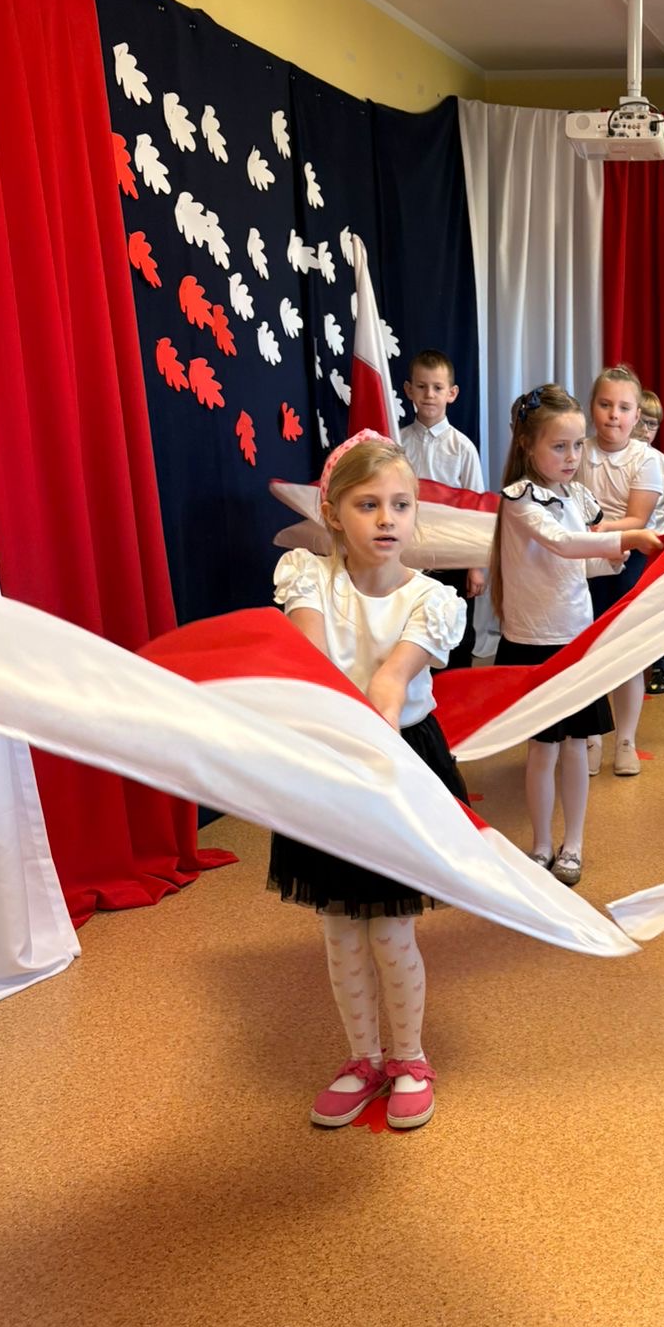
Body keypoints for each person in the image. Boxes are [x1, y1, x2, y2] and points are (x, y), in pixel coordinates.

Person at [269, 431, 469, 1133]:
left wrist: (360, 745)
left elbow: (388, 686)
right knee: (340, 931)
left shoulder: (432, 600)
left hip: (395, 761)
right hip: (328, 759)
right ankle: (363, 1059)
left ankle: (410, 1058)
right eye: (367, 504)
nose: (387, 519)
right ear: (332, 513)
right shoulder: (306, 577)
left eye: (401, 504)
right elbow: (312, 663)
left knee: (388, 928)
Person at [491, 385, 661, 886]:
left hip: (573, 638)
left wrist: (612, 558)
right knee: (542, 749)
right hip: (532, 642)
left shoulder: (577, 497)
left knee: (575, 747)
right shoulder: (519, 500)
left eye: (577, 445)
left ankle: (574, 844)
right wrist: (626, 537)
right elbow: (563, 544)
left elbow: (576, 565)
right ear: (528, 446)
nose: (572, 457)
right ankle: (542, 843)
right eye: (559, 446)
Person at [581, 363, 663, 777]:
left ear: (636, 415)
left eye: (623, 408)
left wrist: (598, 531)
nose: (614, 415)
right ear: (591, 407)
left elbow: (637, 519)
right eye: (605, 405)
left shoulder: (646, 460)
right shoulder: (577, 450)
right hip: (580, 561)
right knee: (586, 655)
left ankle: (626, 740)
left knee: (626, 656)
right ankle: (591, 737)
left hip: (627, 560)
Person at [397, 348, 485, 670]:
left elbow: (476, 511)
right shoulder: (397, 444)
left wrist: (476, 566)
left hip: (452, 557)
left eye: (437, 387)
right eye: (421, 387)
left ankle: (457, 686)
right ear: (409, 390)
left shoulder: (462, 448)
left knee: (455, 629)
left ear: (452, 393)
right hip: (408, 554)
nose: (429, 395)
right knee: (411, 625)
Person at [633, 390, 664, 695]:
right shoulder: (623, 457)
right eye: (643, 422)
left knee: (660, 607)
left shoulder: (662, 463)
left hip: (658, 543)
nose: (647, 430)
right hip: (628, 543)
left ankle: (661, 667)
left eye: (654, 425)